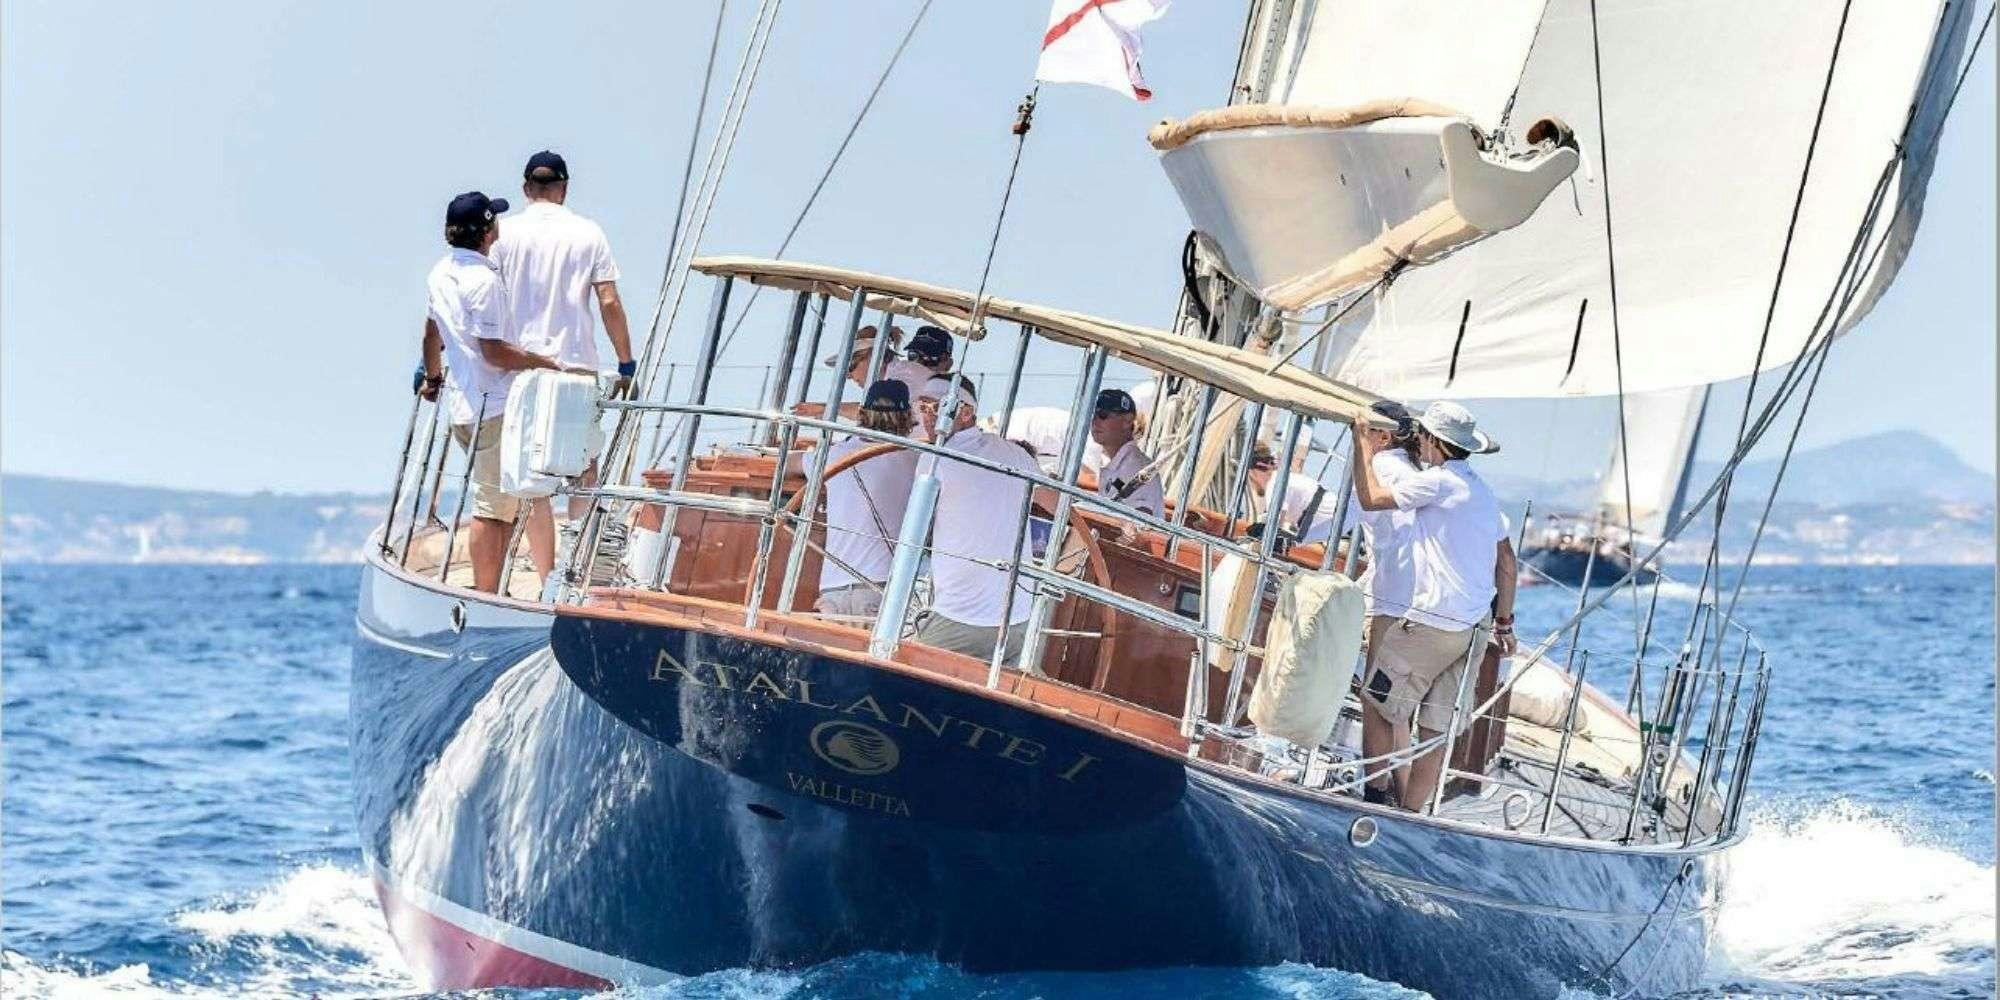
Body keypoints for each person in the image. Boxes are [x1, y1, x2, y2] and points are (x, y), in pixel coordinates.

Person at [1348, 401, 1518, 812]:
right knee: (1433, 730)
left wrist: (1361, 445)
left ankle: (1374, 798)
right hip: (1474, 629)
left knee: (1376, 699)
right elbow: (1508, 566)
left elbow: (1370, 499)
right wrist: (1505, 625)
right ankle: (1409, 816)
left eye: (1423, 436)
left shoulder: (1439, 482)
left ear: (1434, 442)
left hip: (1434, 624)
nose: (1419, 443)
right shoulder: (1483, 491)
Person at [489, 151, 635, 587]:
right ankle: (579, 576)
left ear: (525, 189)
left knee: (531, 483)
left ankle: (548, 577)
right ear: (564, 188)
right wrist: (626, 361)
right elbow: (609, 301)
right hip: (575, 369)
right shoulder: (588, 233)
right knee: (583, 472)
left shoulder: (503, 234)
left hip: (521, 372)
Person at [418, 191, 567, 593]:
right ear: (488, 229)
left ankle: (492, 588)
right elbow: (494, 352)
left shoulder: (440, 273)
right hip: (494, 409)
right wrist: (544, 362)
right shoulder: (484, 281)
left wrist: (432, 380)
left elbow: (432, 335)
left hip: (462, 409)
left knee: (500, 504)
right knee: (492, 511)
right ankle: (486, 595)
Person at [911, 376, 1040, 663]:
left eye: (939, 407)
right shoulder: (1018, 455)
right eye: (923, 406)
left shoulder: (935, 459)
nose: (928, 416)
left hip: (960, 616)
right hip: (1016, 618)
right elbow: (1058, 504)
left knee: (898, 686)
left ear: (967, 412)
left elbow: (912, 535)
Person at [816, 380, 920, 618]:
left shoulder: (835, 455)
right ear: (907, 417)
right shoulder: (918, 461)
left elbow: (791, 464)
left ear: (862, 414)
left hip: (833, 592)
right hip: (882, 591)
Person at [1087, 388, 1165, 518]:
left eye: (1103, 415)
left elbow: (1139, 523)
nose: (1095, 422)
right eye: (1092, 414)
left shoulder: (1137, 468)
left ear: (1127, 421)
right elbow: (1122, 489)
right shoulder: (1122, 468)